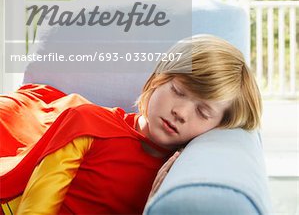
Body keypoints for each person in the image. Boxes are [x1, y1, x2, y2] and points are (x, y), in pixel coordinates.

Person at [0, 34, 261, 215]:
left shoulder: (180, 170)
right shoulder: (88, 123)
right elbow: (35, 209)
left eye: (203, 111)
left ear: (219, 125)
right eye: (178, 91)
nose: (180, 112)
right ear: (158, 79)